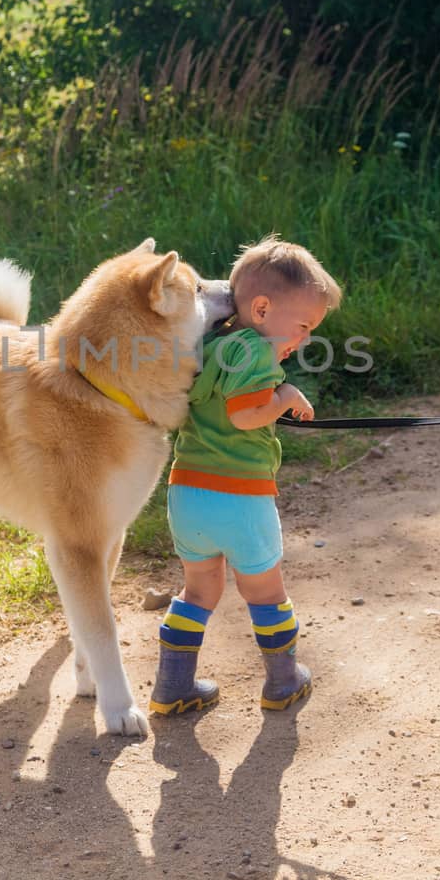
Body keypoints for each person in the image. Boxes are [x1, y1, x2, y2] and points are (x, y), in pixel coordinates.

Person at [149, 235, 343, 714]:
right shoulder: (254, 353)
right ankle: (282, 681)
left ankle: (172, 686)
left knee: (199, 589)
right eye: (301, 325)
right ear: (260, 310)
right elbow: (244, 415)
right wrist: (284, 398)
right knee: (265, 591)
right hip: (239, 498)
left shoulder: (207, 345)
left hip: (187, 493)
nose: (303, 339)